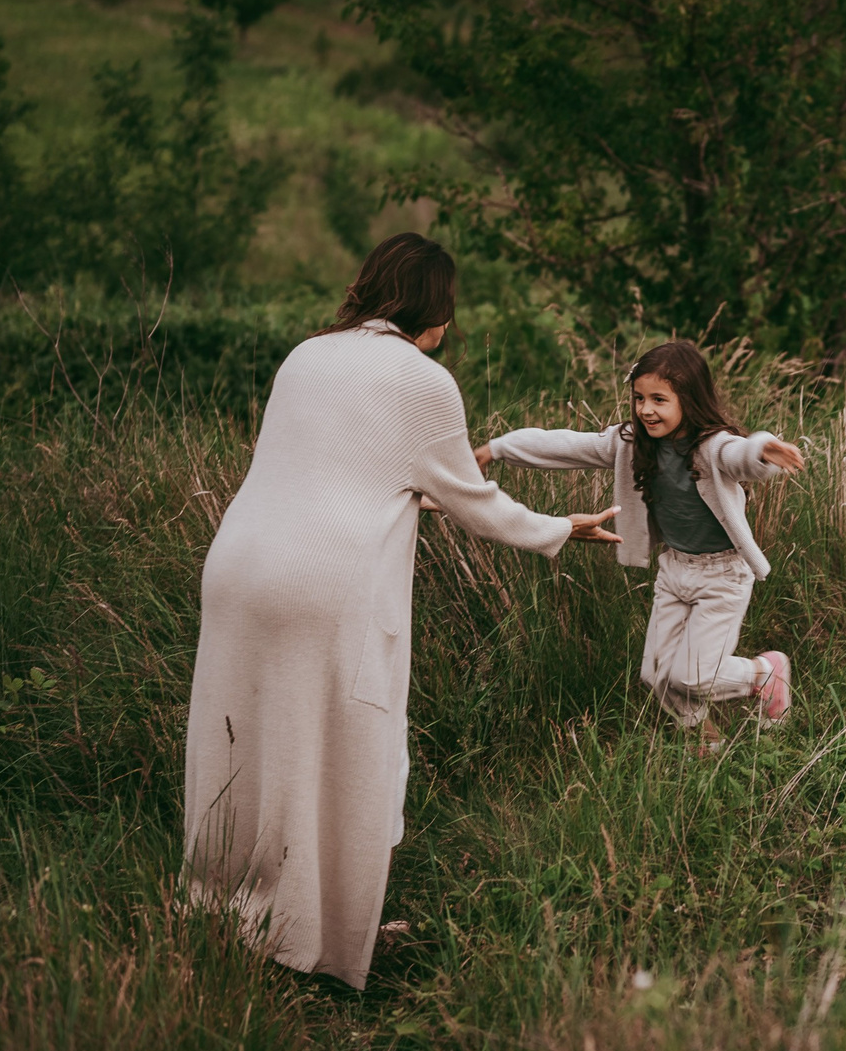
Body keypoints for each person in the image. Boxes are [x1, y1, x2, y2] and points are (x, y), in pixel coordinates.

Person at [183, 234, 620, 990]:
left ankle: (221, 913)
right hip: (323, 584)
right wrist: (561, 529)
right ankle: (312, 939)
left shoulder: (305, 355)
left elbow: (334, 464)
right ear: (435, 309)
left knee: (244, 746)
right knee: (342, 757)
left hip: (236, 566)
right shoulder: (422, 379)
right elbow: (474, 503)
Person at [477, 338, 806, 733]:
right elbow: (564, 444)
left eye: (659, 400)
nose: (646, 410)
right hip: (674, 569)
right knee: (655, 673)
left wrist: (762, 450)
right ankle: (704, 734)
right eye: (639, 398)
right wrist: (497, 448)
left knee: (693, 676)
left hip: (723, 576)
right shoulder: (628, 443)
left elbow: (740, 454)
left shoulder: (712, 446)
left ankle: (764, 674)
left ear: (690, 399)